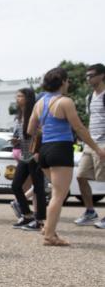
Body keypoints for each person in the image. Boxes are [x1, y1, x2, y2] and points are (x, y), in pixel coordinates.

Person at [27, 67, 105, 246]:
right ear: (62, 81)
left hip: (45, 150)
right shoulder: (65, 102)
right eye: (68, 80)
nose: (69, 83)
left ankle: (47, 228)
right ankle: (50, 235)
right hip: (61, 149)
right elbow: (79, 128)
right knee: (58, 195)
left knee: (55, 192)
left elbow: (30, 129)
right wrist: (96, 148)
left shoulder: (40, 103)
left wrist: (47, 129)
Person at [10, 88, 46, 231]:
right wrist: (16, 141)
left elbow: (40, 133)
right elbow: (25, 135)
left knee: (38, 189)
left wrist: (38, 151)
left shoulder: (35, 113)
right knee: (16, 185)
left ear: (28, 98)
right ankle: (27, 215)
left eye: (20, 96)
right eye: (17, 95)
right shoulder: (20, 115)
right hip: (25, 155)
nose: (17, 98)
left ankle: (40, 220)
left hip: (35, 155)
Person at [75, 63, 105, 228]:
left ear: (102, 75)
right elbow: (91, 121)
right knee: (80, 176)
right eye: (87, 75)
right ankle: (90, 211)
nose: (88, 78)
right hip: (91, 143)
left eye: (91, 75)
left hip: (104, 143)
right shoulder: (89, 97)